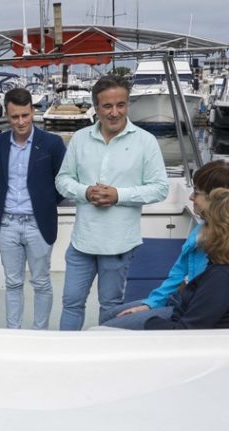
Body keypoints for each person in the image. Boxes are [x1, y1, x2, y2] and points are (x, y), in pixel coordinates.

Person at [102, 160, 229, 329]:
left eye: (196, 192)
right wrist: (151, 303)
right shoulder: (200, 231)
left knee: (109, 328)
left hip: (186, 307)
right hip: (179, 298)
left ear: (217, 199)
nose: (190, 197)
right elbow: (178, 273)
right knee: (108, 316)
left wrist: (225, 264)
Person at [54, 75, 169, 331]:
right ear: (96, 107)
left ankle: (103, 360)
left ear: (128, 105)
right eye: (107, 106)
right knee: (71, 302)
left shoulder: (145, 142)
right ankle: (64, 356)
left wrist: (119, 195)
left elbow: (160, 188)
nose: (114, 112)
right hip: (82, 242)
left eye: (121, 105)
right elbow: (62, 180)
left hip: (119, 244)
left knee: (110, 306)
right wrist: (86, 192)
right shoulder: (80, 139)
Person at [0, 87, 67, 330]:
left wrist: (43, 202)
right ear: (7, 115)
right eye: (14, 117)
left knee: (41, 282)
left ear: (33, 111)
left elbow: (61, 183)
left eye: (25, 115)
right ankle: (14, 333)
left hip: (38, 223)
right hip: (8, 224)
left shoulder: (52, 143)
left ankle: (40, 333)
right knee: (12, 283)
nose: (20, 122)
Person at [145, 189, 229, 330]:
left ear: (220, 232)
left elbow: (185, 333)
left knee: (113, 325)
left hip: (174, 334)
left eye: (207, 223)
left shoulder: (221, 280)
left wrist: (151, 321)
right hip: (180, 315)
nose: (201, 229)